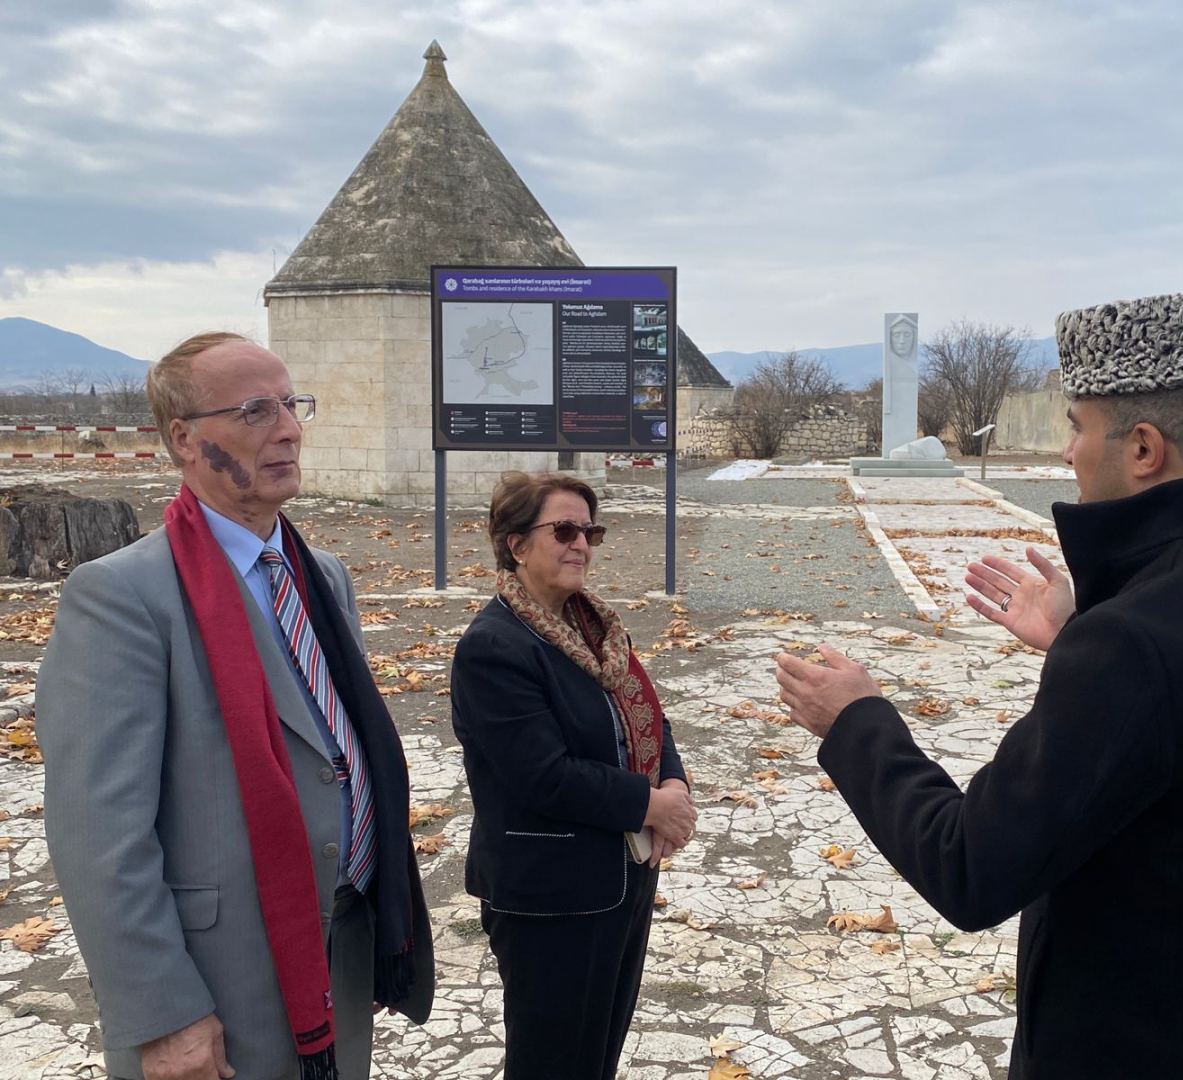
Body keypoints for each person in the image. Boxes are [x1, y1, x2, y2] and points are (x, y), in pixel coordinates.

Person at [776, 287, 1183, 1078]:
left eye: (1078, 426)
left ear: (1143, 449)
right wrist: (1076, 640)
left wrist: (857, 723)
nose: (1066, 453)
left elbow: (972, 867)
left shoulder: (1134, 643)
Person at [37, 332, 433, 1080]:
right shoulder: (122, 596)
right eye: (256, 411)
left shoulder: (322, 574)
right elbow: (98, 833)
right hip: (218, 979)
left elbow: (334, 748)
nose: (288, 428)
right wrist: (163, 1013)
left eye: (291, 405)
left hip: (339, 952)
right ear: (186, 440)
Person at [450, 472, 694, 1080]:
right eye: (562, 530)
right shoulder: (495, 647)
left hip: (622, 878)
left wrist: (675, 784)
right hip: (550, 894)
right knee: (552, 1064)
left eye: (590, 530)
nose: (580, 543)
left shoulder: (599, 630)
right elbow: (542, 776)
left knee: (597, 1055)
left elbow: (648, 720)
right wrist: (648, 804)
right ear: (515, 543)